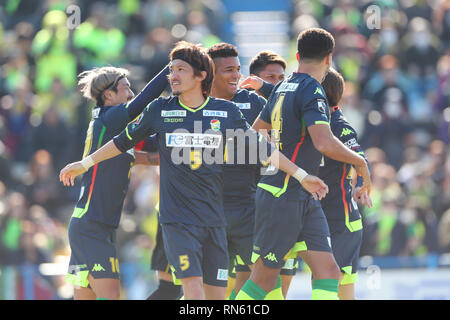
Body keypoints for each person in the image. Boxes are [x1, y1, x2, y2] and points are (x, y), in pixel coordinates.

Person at [60, 41, 329, 300]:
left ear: (201, 75)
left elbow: (262, 147)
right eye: (171, 69)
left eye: (180, 70)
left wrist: (303, 176)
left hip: (215, 222)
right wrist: (83, 164)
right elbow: (120, 143)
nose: (172, 76)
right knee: (193, 292)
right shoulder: (160, 111)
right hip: (178, 222)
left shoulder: (226, 112)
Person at [236, 28, 372, 300]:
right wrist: (360, 163)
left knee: (329, 271)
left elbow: (254, 135)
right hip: (283, 196)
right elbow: (323, 142)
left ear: (297, 55)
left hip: (303, 195)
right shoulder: (313, 90)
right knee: (264, 279)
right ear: (329, 59)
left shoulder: (283, 87)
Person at [64, 64, 169, 300]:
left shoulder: (115, 130)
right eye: (126, 89)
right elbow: (144, 101)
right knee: (111, 296)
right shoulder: (109, 118)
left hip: (92, 226)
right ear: (108, 96)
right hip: (92, 227)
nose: (131, 94)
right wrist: (173, 66)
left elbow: (152, 151)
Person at [247, 49, 300, 299]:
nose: (277, 83)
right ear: (253, 80)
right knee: (251, 284)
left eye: (281, 78)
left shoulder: (287, 113)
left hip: (283, 203)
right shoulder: (246, 107)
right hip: (250, 208)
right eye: (270, 78)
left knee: (283, 282)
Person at [319, 68, 371, 300]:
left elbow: (360, 156)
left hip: (341, 222)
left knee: (332, 284)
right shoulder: (310, 123)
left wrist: (362, 181)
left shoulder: (338, 125)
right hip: (320, 216)